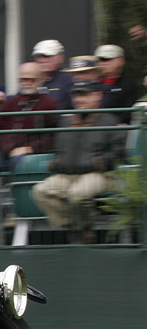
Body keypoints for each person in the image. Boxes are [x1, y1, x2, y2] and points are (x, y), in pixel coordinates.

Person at [32, 79, 125, 243]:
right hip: (68, 174)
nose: (79, 99)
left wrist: (98, 162)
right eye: (76, 95)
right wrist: (58, 161)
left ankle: (83, 232)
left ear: (97, 96)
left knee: (77, 194)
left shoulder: (109, 120)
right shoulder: (66, 121)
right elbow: (57, 149)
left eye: (84, 95)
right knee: (40, 191)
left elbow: (118, 153)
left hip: (100, 174)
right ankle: (72, 227)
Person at [0, 62, 59, 171]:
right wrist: (7, 149)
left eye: (31, 80)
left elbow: (53, 135)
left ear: (40, 80)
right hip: (8, 151)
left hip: (34, 153)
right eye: (23, 79)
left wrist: (30, 148)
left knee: (18, 160)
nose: (27, 83)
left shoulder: (49, 104)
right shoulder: (10, 103)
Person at [95, 44, 142, 124]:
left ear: (121, 61)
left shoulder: (129, 83)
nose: (102, 63)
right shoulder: (91, 82)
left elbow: (129, 110)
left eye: (107, 59)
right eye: (99, 60)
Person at [32, 39, 73, 110]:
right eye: (39, 56)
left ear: (60, 58)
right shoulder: (31, 80)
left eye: (47, 56)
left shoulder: (69, 80)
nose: (42, 60)